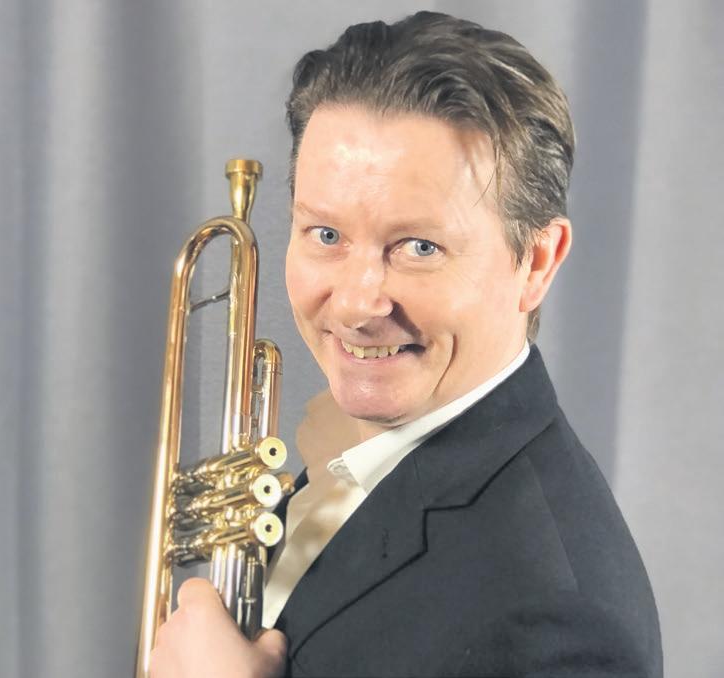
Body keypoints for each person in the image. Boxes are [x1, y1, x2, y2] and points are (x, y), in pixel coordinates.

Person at [149, 11, 662, 678]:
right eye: (326, 235)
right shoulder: (362, 461)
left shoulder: (558, 621)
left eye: (418, 247)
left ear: (537, 262)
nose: (356, 305)